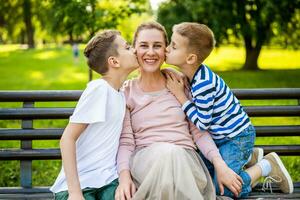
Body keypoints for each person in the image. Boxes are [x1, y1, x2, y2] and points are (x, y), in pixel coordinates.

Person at [114, 21, 244, 200]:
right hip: (146, 163)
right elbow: (126, 142)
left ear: (165, 50)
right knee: (167, 154)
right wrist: (124, 178)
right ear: (134, 49)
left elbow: (198, 132)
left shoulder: (179, 83)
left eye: (157, 46)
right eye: (144, 45)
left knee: (172, 154)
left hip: (185, 160)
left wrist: (219, 164)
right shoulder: (127, 92)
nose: (151, 52)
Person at [164, 22, 294, 198]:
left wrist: (181, 96)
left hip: (236, 138)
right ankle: (249, 157)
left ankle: (266, 165)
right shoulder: (194, 75)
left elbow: (202, 123)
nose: (166, 49)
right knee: (202, 180)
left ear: (190, 59)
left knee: (222, 190)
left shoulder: (203, 83)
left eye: (173, 46)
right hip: (222, 140)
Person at [50, 30, 139, 200]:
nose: (134, 50)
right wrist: (75, 194)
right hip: (80, 186)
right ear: (114, 61)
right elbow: (67, 139)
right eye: (127, 47)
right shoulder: (99, 89)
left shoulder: (119, 93)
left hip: (107, 182)